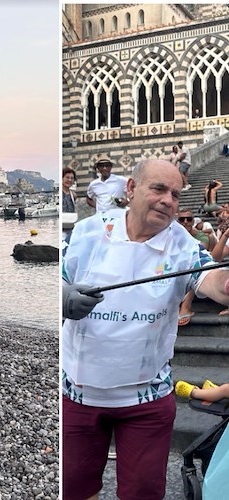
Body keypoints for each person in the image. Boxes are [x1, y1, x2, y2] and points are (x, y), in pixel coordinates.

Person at [62, 159, 229, 500]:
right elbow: (57, 278)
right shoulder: (88, 232)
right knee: (74, 490)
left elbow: (210, 279)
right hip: (77, 393)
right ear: (131, 189)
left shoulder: (181, 243)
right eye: (158, 188)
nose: (169, 200)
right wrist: (61, 295)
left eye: (176, 194)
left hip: (147, 398)